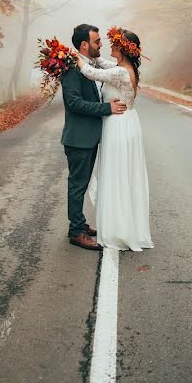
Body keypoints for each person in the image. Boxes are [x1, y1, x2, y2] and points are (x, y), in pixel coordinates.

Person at [75, 27, 153, 251]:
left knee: (116, 174)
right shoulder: (124, 68)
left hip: (118, 125)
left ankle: (118, 230)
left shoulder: (120, 72)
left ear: (122, 48)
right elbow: (102, 65)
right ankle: (125, 226)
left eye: (113, 44)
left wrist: (76, 60)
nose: (109, 47)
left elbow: (92, 73)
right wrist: (92, 58)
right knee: (124, 175)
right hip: (127, 123)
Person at [60, 24, 127, 251]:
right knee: (77, 185)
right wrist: (106, 108)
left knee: (82, 184)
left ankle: (79, 225)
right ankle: (76, 232)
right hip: (78, 138)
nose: (101, 44)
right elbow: (74, 103)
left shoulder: (89, 65)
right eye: (97, 41)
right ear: (84, 45)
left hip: (88, 137)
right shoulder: (71, 69)